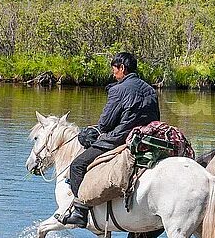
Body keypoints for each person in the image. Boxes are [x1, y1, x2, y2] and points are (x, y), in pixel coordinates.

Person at [57, 52, 160, 228]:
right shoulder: (150, 89)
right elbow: (155, 117)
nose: (113, 74)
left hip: (118, 140)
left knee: (77, 165)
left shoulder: (118, 89)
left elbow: (105, 123)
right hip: (144, 138)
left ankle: (80, 211)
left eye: (114, 70)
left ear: (122, 68)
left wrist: (93, 131)